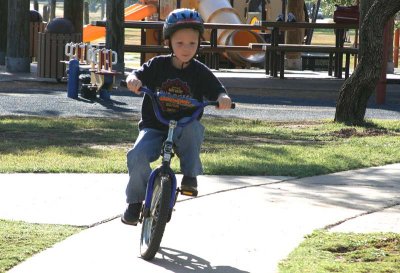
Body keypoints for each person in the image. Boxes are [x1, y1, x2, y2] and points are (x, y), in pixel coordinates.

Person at [122, 8, 232, 225]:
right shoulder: (158, 65)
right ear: (169, 42)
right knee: (137, 155)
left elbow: (217, 89)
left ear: (199, 44)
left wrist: (222, 98)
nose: (186, 49)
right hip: (155, 126)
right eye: (180, 43)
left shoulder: (200, 71)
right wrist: (133, 80)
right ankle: (135, 203)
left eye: (192, 43)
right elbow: (136, 74)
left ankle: (190, 176)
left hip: (184, 126)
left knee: (194, 131)